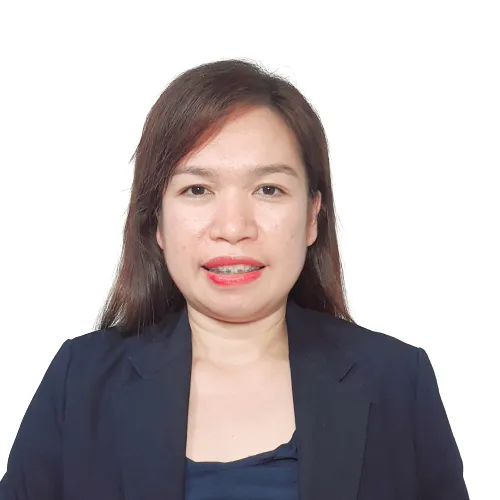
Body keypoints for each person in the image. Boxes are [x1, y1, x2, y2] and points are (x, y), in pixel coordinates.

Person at [0, 59, 469, 500]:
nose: (233, 226)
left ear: (312, 216)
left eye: (268, 189)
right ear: (157, 220)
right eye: (197, 189)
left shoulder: (396, 381)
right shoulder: (81, 381)